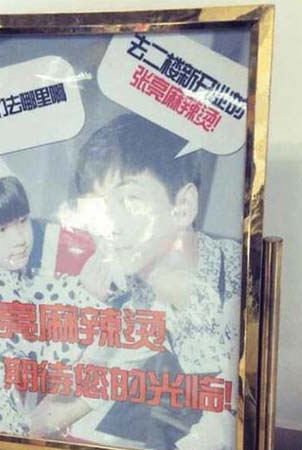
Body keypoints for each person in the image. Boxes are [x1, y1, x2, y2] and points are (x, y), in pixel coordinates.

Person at [29, 113, 242, 450]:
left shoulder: (237, 287)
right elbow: (81, 392)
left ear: (183, 205)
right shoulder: (144, 296)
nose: (109, 225)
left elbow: (225, 429)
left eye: (130, 200)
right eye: (98, 207)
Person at [0, 158, 103, 437]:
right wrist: (90, 297)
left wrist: (81, 287)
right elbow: (50, 362)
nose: (19, 238)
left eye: (22, 221)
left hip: (8, 401)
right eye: (1, 230)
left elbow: (35, 293)